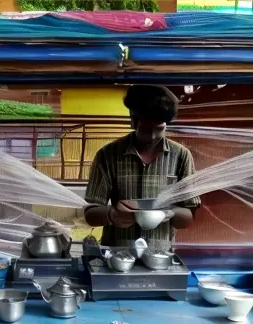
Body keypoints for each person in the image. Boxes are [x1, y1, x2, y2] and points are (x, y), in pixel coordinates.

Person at [83, 85, 199, 250]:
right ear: (133, 120)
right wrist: (112, 215)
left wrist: (169, 213)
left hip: (159, 257)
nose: (152, 136)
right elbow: (90, 214)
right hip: (117, 255)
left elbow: (188, 216)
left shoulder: (181, 156)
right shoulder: (108, 155)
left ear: (167, 124)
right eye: (145, 128)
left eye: (159, 129)